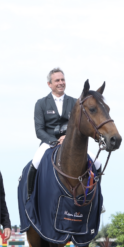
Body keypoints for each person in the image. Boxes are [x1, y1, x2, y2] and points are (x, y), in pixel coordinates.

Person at [27, 67, 101, 198]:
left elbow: (79, 126)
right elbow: (39, 130)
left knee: (97, 163)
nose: (61, 82)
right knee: (36, 161)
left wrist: (66, 138)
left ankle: (97, 196)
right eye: (57, 80)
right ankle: (30, 195)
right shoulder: (41, 103)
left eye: (62, 79)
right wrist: (54, 141)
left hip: (71, 143)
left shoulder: (74, 102)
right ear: (49, 84)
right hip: (49, 143)